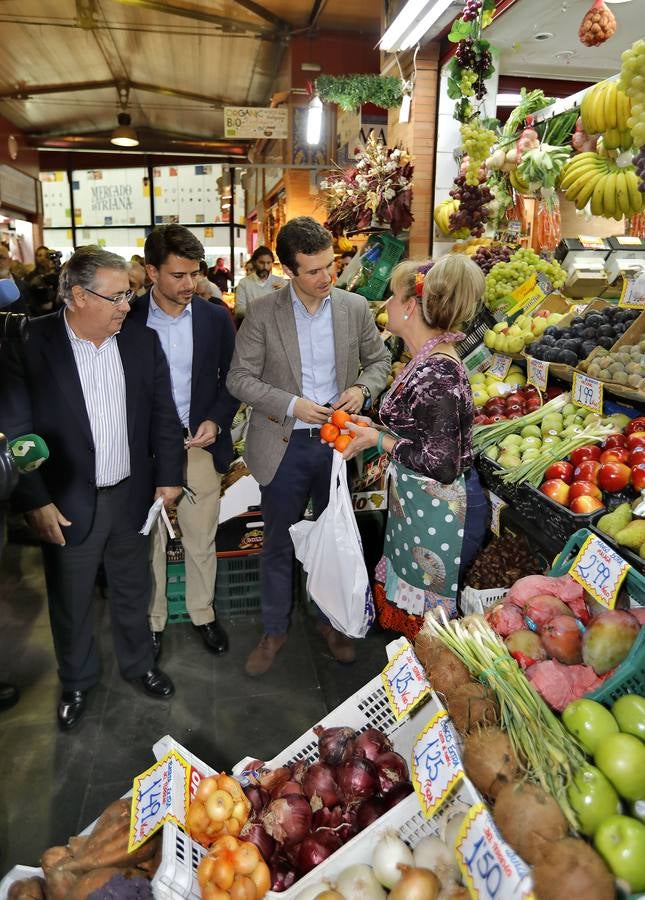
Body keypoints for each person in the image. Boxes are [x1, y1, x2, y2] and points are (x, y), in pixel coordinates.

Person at [0, 245, 184, 730]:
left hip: (130, 494)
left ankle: (140, 665)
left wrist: (169, 477)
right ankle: (77, 681)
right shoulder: (31, 343)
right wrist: (35, 500)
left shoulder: (141, 343)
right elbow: (15, 430)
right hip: (65, 500)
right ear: (78, 296)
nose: (128, 305)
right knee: (71, 598)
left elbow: (164, 416)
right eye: (118, 296)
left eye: (129, 294)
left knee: (133, 587)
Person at [227, 216, 391, 676]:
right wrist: (292, 404)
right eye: (315, 271)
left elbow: (379, 361)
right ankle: (275, 629)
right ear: (289, 270)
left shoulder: (354, 307)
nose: (327, 278)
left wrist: (361, 389)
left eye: (331, 267)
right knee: (277, 541)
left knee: (336, 536)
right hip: (283, 444)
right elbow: (238, 378)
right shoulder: (262, 313)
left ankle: (331, 622)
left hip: (340, 445)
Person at [341, 255, 490, 641]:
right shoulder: (424, 360)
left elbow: (439, 463)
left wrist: (377, 439)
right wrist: (371, 427)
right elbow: (422, 434)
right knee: (417, 628)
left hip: (442, 515)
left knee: (431, 635)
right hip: (422, 510)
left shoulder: (438, 371)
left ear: (410, 307)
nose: (385, 304)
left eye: (391, 296)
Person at [129, 224, 239, 660]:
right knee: (149, 539)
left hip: (197, 444)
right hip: (143, 449)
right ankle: (153, 622)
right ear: (152, 271)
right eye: (178, 275)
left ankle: (202, 614)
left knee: (200, 534)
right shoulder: (128, 318)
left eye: (195, 273)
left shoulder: (215, 318)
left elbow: (233, 379)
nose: (189, 284)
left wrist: (215, 419)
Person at [234, 246, 285, 318]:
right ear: (254, 262)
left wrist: (286, 294)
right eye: (261, 263)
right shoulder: (244, 283)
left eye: (268, 263)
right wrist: (263, 311)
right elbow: (239, 311)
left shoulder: (280, 282)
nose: (265, 267)